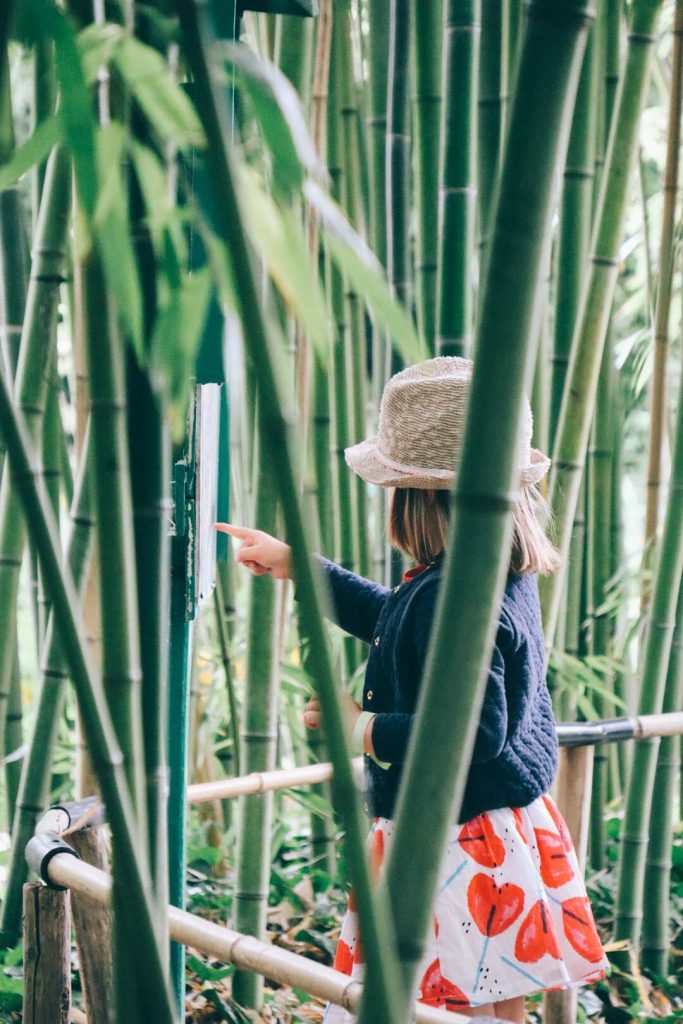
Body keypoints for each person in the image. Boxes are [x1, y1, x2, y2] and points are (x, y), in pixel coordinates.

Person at [215, 356, 608, 1023]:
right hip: (500, 825)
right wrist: (301, 568)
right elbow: (399, 624)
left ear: (417, 500)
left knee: (451, 1006)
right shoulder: (488, 576)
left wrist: (359, 729)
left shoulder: (453, 595)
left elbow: (471, 732)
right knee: (493, 1000)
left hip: (455, 837)